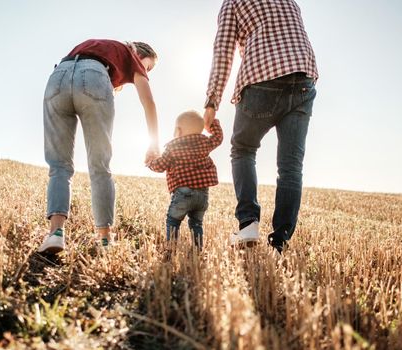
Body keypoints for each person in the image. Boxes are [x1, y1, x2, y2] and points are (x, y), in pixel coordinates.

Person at [203, 0, 318, 253]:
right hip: (303, 78)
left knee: (243, 149)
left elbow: (223, 52)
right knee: (290, 166)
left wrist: (212, 101)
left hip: (261, 77)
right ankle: (281, 241)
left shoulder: (233, 2)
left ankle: (248, 224)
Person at [38, 39, 160, 254]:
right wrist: (154, 143)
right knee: (100, 166)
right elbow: (148, 101)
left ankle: (55, 234)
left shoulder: (101, 45)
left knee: (59, 165)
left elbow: (76, 65)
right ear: (140, 54)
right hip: (94, 77)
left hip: (58, 76)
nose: (144, 71)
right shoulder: (131, 55)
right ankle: (104, 241)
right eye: (147, 66)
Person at [147, 111, 223, 250]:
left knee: (173, 221)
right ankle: (197, 249)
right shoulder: (205, 143)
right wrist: (212, 124)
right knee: (196, 224)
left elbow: (160, 166)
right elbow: (218, 138)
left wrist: (150, 162)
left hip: (183, 194)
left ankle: (171, 248)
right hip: (202, 196)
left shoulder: (173, 148)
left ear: (178, 130)